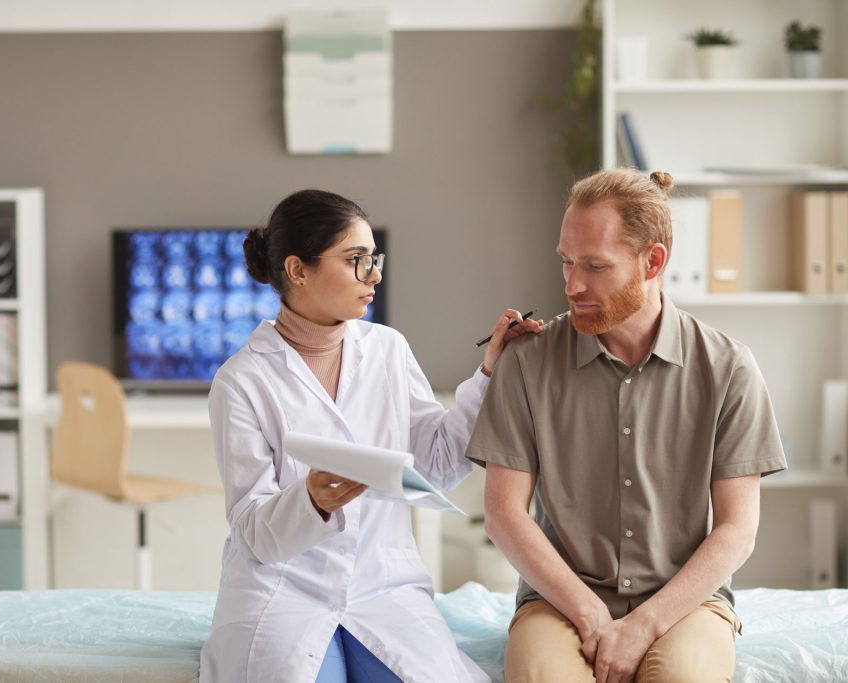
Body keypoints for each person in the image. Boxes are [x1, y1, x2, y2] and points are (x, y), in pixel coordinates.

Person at [198, 188, 541, 683]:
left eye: (373, 259)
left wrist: (490, 372)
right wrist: (311, 501)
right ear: (298, 270)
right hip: (281, 589)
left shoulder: (387, 349)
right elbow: (252, 529)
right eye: (356, 260)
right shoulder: (241, 381)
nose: (375, 275)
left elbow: (439, 462)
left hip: (382, 585)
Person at [466, 168, 787, 683]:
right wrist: (592, 615)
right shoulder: (526, 363)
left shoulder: (729, 368)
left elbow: (736, 530)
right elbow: (504, 514)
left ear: (653, 261)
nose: (572, 285)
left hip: (685, 602)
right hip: (557, 601)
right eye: (566, 262)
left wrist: (643, 626)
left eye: (594, 266)